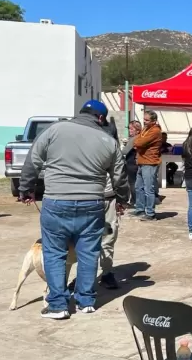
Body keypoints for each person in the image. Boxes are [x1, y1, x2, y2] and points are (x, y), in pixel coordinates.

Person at [19, 100, 129, 319]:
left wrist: (26, 189)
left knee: (55, 253)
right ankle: (86, 301)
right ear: (100, 118)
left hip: (56, 203)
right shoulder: (108, 141)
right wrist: (122, 199)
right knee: (89, 253)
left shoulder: (54, 130)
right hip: (92, 204)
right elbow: (120, 176)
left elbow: (33, 161)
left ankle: (58, 305)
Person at [98, 109, 124, 289]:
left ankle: (106, 272)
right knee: (89, 239)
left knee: (108, 237)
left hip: (108, 198)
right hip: (91, 198)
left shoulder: (112, 147)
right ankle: (86, 277)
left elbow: (119, 175)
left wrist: (121, 199)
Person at [132, 110, 163, 221]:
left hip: (149, 162)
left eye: (147, 120)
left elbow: (139, 142)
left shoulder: (154, 131)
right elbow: (138, 140)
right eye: (144, 119)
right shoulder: (146, 129)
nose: (144, 122)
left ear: (154, 121)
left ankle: (150, 213)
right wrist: (137, 141)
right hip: (142, 161)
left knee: (148, 189)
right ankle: (140, 209)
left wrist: (137, 143)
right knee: (138, 187)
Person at [123, 121, 141, 206]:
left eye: (131, 129)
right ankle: (136, 201)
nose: (129, 131)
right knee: (136, 183)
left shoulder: (134, 138)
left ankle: (135, 201)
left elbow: (125, 151)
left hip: (132, 162)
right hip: (136, 162)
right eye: (129, 129)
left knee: (132, 183)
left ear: (137, 130)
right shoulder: (140, 137)